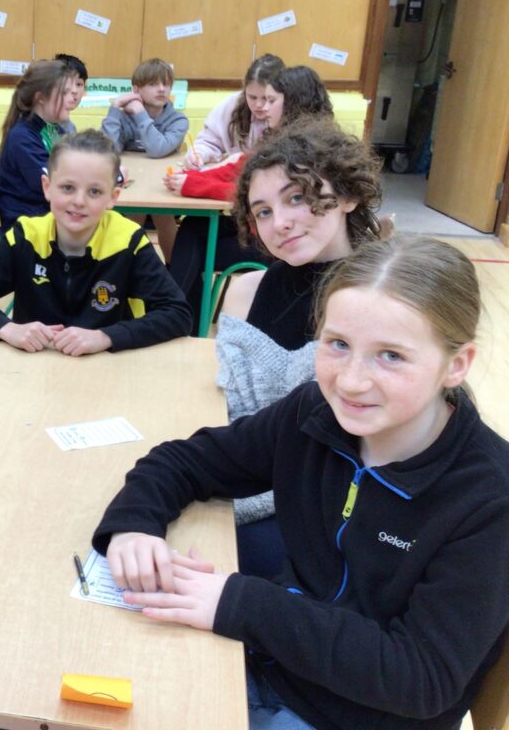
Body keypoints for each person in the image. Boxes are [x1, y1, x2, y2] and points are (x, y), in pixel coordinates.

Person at [93, 234, 509, 730]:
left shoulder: (490, 496)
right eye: (338, 345)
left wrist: (241, 603)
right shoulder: (315, 412)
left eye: (391, 356)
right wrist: (135, 525)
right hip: (266, 663)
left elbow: (420, 678)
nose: (351, 381)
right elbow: (187, 461)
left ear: (456, 365)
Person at [217, 117, 384, 577]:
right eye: (263, 211)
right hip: (240, 472)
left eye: (296, 197)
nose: (280, 223)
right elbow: (226, 406)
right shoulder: (245, 290)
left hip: (329, 506)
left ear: (347, 196)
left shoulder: (380, 300)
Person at [0, 129, 191, 355]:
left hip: (105, 367)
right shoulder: (25, 237)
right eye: (67, 188)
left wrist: (105, 336)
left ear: (112, 197)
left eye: (94, 191)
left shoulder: (129, 242)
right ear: (47, 187)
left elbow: (178, 314)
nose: (79, 201)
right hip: (35, 366)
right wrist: (7, 328)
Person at [165, 65, 333, 334]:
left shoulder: (303, 149)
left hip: (279, 243)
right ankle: (180, 320)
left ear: (291, 102)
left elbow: (249, 194)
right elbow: (241, 171)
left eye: (271, 100)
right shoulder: (280, 138)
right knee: (194, 226)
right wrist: (190, 178)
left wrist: (193, 184)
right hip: (263, 229)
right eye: (259, 99)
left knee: (194, 248)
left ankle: (174, 317)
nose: (263, 108)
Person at [101, 57, 190, 261]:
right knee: (132, 217)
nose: (161, 89)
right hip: (132, 183)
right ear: (136, 90)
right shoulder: (123, 117)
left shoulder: (178, 120)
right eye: (153, 84)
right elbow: (108, 151)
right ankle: (126, 267)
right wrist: (115, 109)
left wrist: (141, 114)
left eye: (166, 84)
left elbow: (157, 149)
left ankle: (172, 268)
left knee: (163, 215)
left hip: (161, 183)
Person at [0, 59, 73, 228]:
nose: (72, 98)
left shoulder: (53, 128)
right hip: (26, 224)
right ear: (40, 97)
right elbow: (52, 183)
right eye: (64, 93)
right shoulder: (22, 137)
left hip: (45, 214)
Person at [185, 53, 284, 168]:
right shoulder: (232, 105)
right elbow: (208, 142)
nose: (259, 105)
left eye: (267, 98)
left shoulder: (290, 115)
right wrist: (197, 155)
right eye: (252, 97)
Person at [56, 52, 88, 135]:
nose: (75, 91)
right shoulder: (43, 126)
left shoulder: (70, 127)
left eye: (79, 84)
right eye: (69, 83)